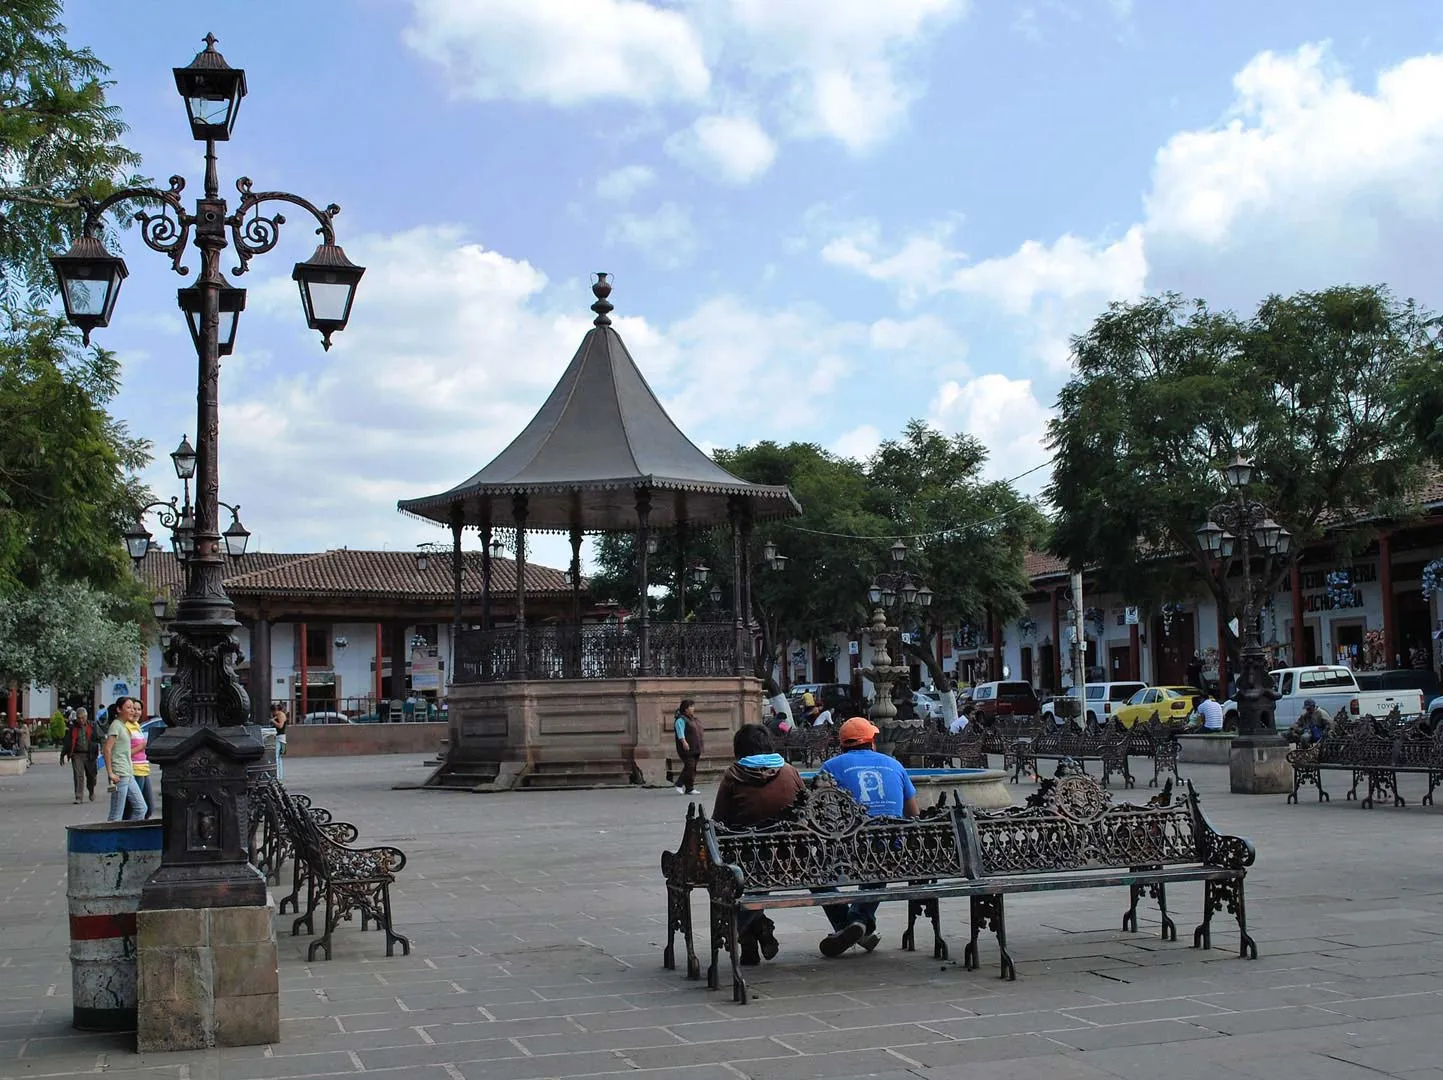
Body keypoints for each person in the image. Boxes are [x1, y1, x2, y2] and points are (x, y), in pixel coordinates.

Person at [815, 716, 919, 958]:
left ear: (842, 745)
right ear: (872, 741)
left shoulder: (831, 767)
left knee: (816, 870)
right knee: (880, 853)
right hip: (892, 850)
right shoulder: (894, 764)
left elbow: (820, 814)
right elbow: (913, 814)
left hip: (848, 850)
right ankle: (859, 922)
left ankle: (849, 924)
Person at [712, 723, 805, 966]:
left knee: (740, 881)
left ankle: (752, 938)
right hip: (793, 859)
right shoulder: (790, 771)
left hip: (747, 858)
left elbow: (719, 821)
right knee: (754, 882)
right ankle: (759, 928)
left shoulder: (733, 775)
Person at [103, 700, 146, 821]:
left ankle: (129, 837)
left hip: (128, 772)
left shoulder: (124, 726)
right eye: (129, 708)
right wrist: (110, 773)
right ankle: (111, 839)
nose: (132, 711)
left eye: (133, 708)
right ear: (119, 709)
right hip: (119, 773)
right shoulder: (116, 725)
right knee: (115, 815)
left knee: (141, 808)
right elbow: (107, 749)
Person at [60, 708, 100, 803]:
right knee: (78, 775)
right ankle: (79, 796)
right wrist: (63, 754)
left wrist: (102, 749)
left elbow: (100, 737)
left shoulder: (92, 725)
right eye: (79, 718)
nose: (81, 720)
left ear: (86, 717)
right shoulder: (73, 727)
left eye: (83, 718)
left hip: (90, 755)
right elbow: (67, 742)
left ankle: (91, 790)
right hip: (77, 754)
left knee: (92, 776)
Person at [123, 700, 153, 818]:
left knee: (149, 808)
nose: (136, 712)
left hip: (144, 769)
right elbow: (123, 753)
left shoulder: (137, 726)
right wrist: (142, 746)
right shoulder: (125, 727)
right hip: (134, 770)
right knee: (135, 808)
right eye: (133, 709)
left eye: (139, 709)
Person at [672, 698, 703, 795]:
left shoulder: (693, 719)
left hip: (696, 747)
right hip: (686, 747)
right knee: (689, 766)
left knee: (692, 768)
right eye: (691, 706)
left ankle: (689, 787)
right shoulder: (681, 720)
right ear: (685, 709)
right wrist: (684, 742)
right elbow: (680, 732)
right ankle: (679, 783)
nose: (693, 708)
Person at [271, 703, 290, 780]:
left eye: (273, 712)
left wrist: (273, 721)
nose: (273, 714)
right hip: (279, 737)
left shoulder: (281, 715)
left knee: (276, 757)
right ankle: (279, 776)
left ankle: (278, 776)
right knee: (278, 758)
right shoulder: (279, 715)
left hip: (280, 737)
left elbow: (280, 726)